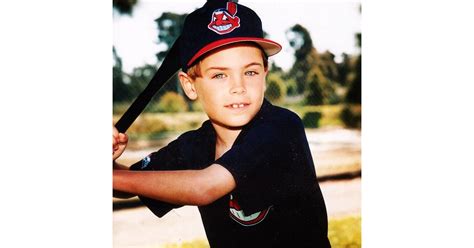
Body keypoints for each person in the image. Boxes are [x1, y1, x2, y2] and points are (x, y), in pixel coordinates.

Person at [113, 0, 331, 247]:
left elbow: (204, 187)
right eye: (219, 75)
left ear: (265, 74)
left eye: (250, 72)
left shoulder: (281, 128)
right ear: (190, 86)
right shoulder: (194, 146)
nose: (238, 87)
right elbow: (129, 183)